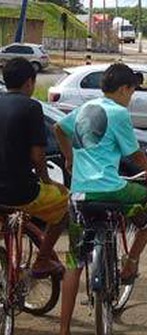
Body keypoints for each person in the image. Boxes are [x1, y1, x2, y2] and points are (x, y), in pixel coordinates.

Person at [53, 63, 147, 335]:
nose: (131, 97)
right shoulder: (118, 113)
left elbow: (58, 128)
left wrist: (69, 160)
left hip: (80, 196)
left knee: (73, 264)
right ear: (125, 89)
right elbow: (134, 153)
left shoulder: (84, 110)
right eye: (132, 91)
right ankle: (131, 262)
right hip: (112, 191)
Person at [0, 57, 68, 278]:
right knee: (64, 203)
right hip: (21, 191)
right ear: (29, 82)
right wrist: (48, 181)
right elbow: (38, 156)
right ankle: (42, 260)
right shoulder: (31, 107)